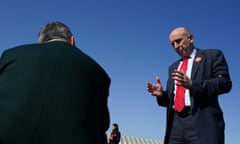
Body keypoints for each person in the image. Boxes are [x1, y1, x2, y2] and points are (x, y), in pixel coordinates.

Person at [0, 21, 111, 144]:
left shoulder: (10, 55)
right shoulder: (98, 72)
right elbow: (103, 125)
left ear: (41, 41)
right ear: (72, 40)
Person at [146, 27, 232, 144]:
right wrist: (161, 95)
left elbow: (225, 83)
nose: (176, 46)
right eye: (172, 44)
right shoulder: (173, 67)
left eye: (178, 41)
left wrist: (193, 85)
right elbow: (172, 100)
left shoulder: (212, 56)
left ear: (191, 38)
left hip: (202, 121)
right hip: (175, 124)